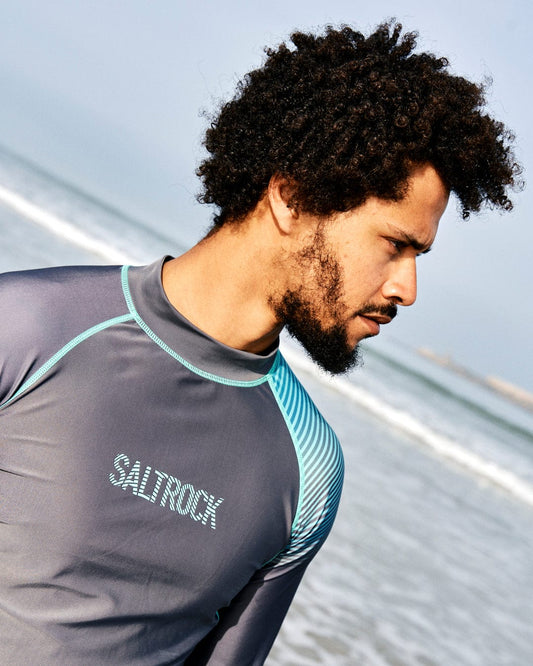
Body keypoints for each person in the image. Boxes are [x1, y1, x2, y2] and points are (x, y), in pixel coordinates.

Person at [0, 22, 519, 665]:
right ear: (291, 196)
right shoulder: (29, 328)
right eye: (396, 245)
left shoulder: (310, 469)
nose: (407, 288)